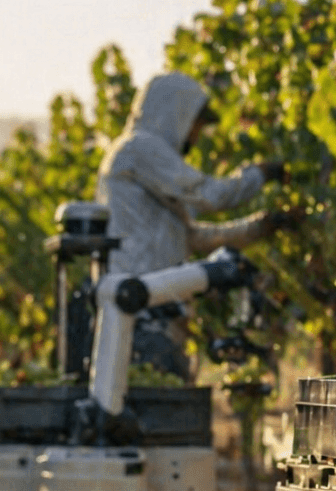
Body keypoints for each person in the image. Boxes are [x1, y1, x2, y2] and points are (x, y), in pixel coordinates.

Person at [95, 71, 294, 379]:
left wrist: (260, 227)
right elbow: (210, 195)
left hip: (155, 312)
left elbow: (191, 237)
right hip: (142, 313)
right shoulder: (139, 149)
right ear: (176, 114)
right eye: (196, 124)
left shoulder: (145, 159)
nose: (197, 135)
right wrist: (261, 174)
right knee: (155, 397)